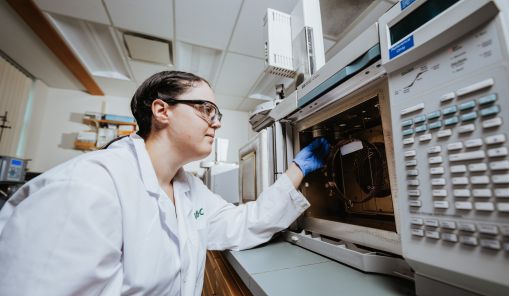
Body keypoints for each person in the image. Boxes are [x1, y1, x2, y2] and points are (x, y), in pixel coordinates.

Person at [0, 71, 330, 295]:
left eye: (217, 114)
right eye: (206, 109)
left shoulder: (188, 189)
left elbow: (243, 223)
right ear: (162, 110)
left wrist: (297, 170)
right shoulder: (86, 187)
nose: (216, 123)